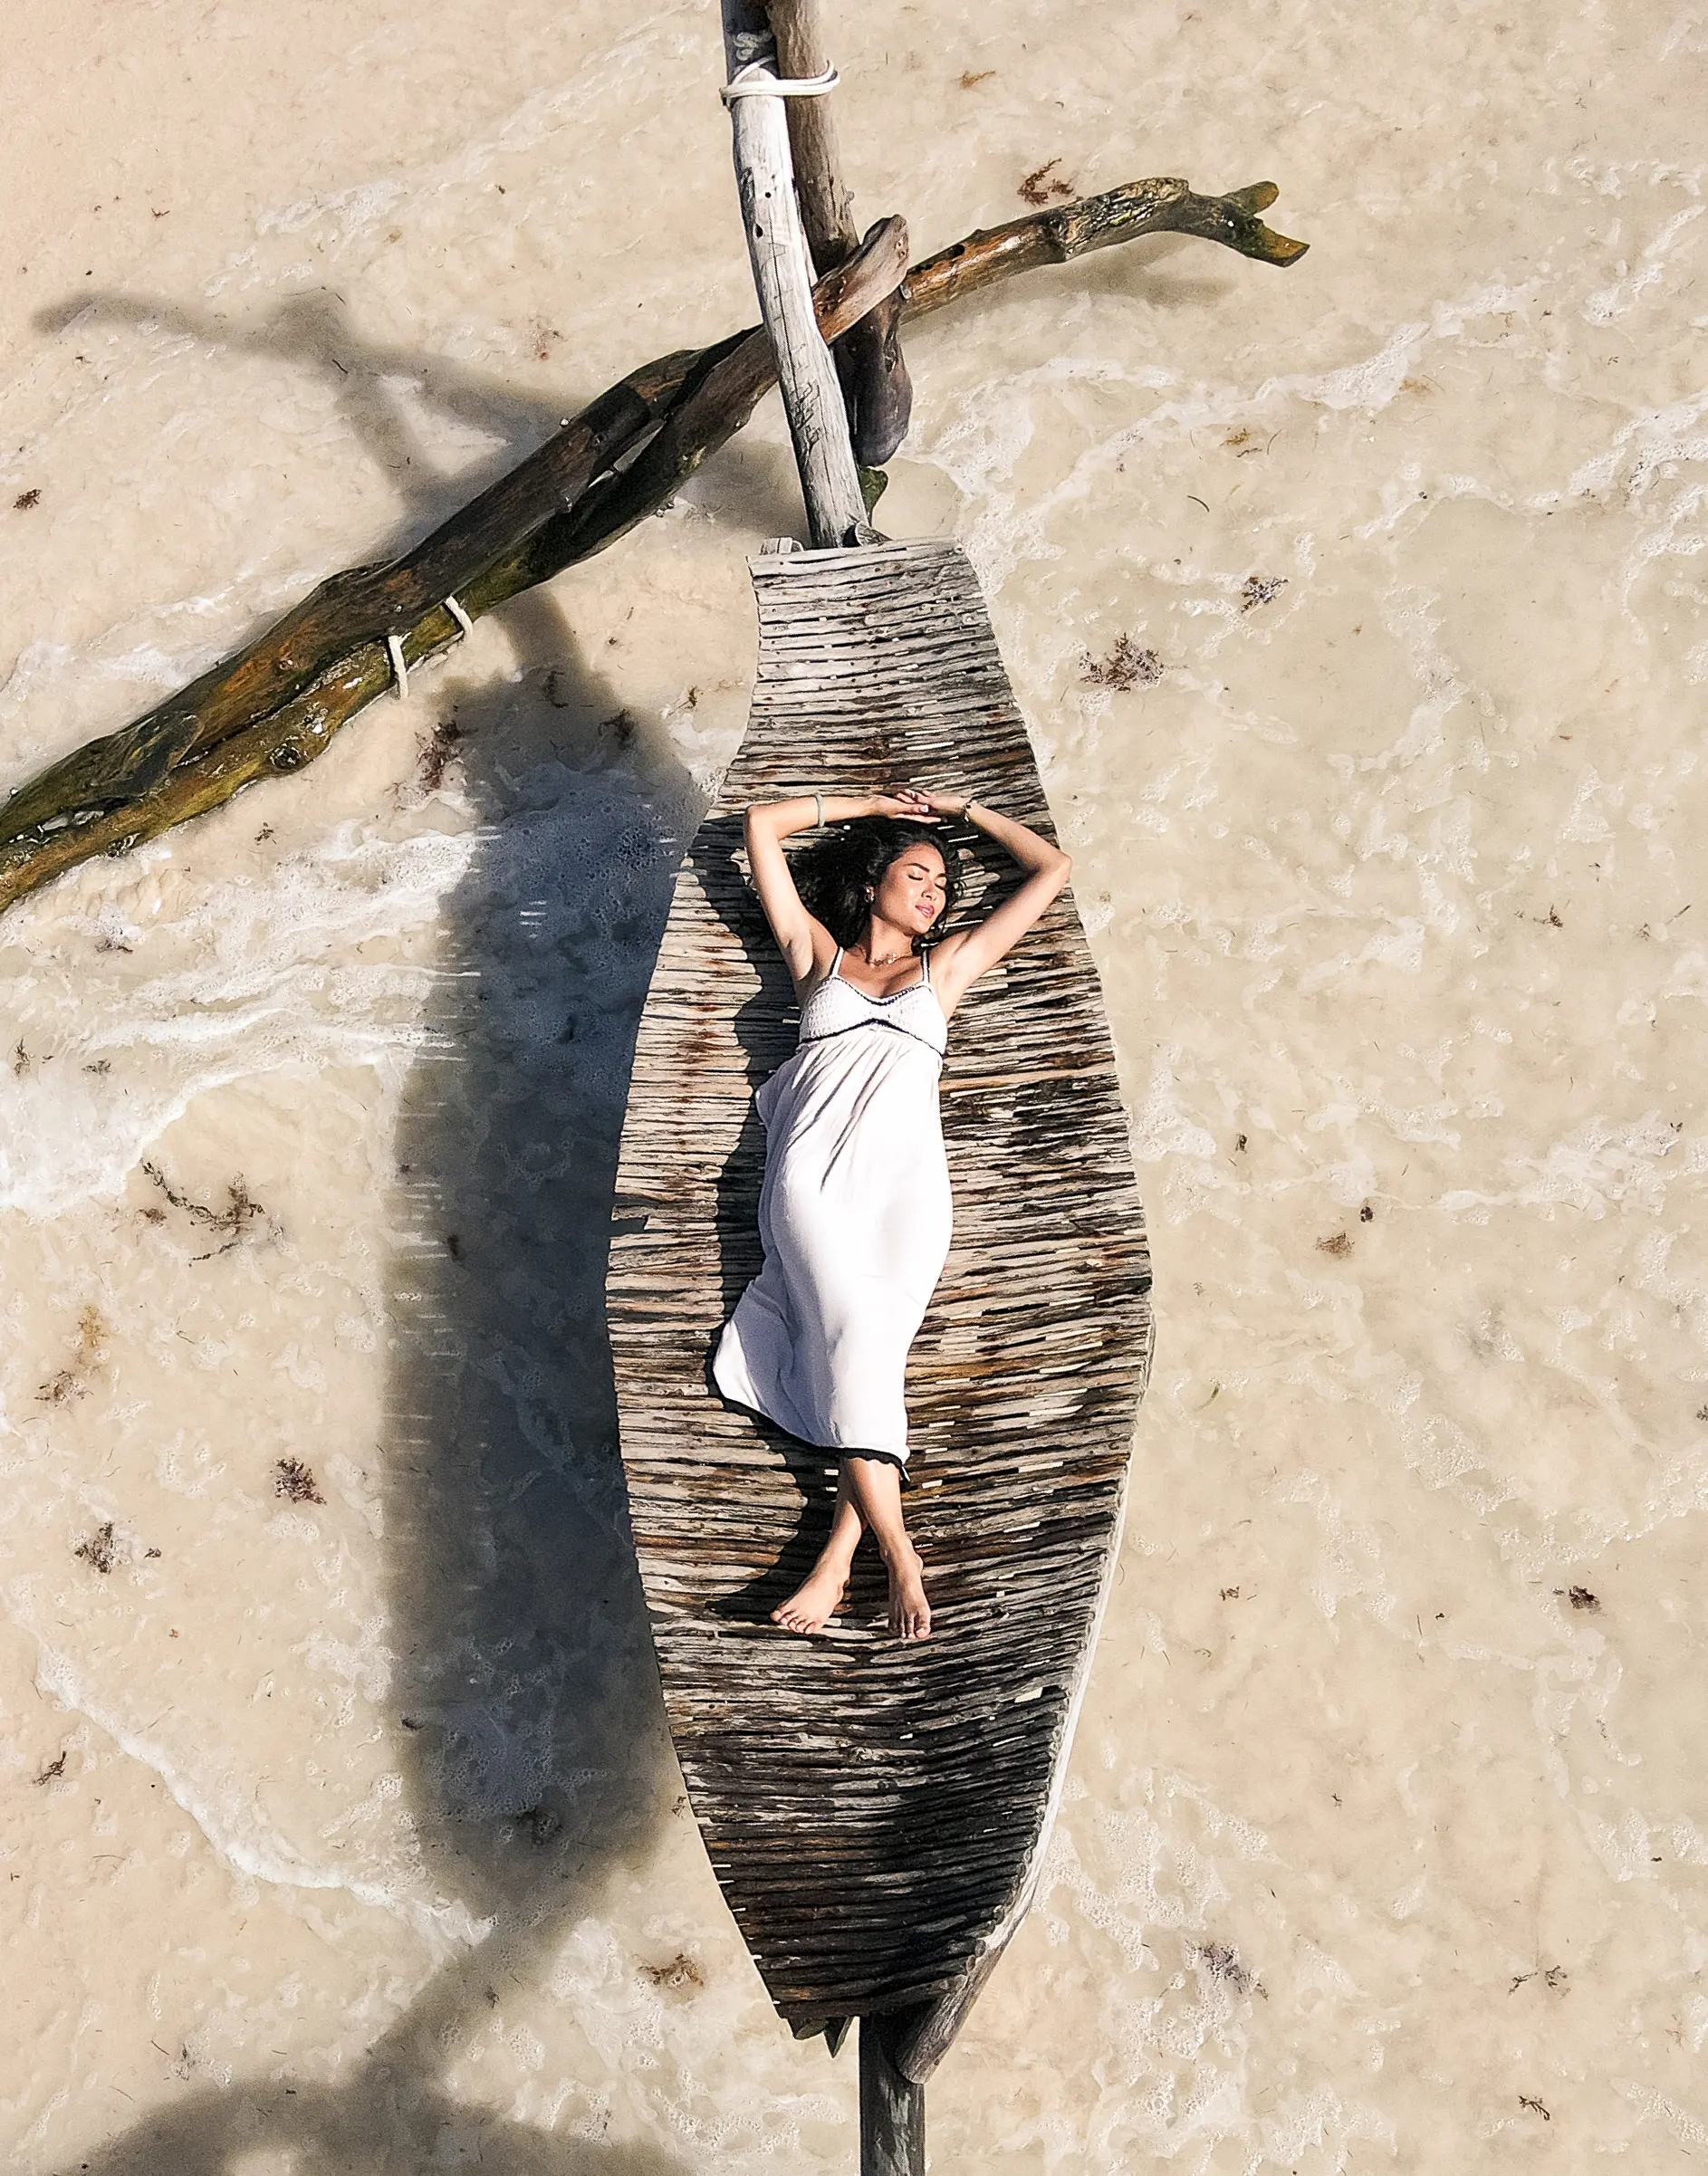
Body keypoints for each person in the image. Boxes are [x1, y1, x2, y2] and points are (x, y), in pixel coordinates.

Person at [711, 784, 1072, 1640]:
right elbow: (762, 825)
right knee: (849, 1341)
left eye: (943, 886)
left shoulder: (942, 971)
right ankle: (901, 1555)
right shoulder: (817, 957)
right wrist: (869, 802)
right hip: (815, 1183)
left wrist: (965, 815)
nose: (934, 893)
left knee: (867, 1356)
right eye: (917, 875)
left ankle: (838, 1562)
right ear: (874, 881)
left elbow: (1051, 869)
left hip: (909, 1190)